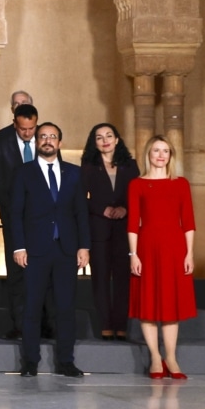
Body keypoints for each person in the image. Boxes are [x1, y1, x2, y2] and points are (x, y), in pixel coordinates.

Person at [11, 122, 90, 378]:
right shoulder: (24, 172)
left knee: (65, 308)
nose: (47, 140)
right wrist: (19, 246)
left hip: (66, 250)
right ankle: (30, 362)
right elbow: (16, 213)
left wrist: (84, 246)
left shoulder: (74, 173)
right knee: (32, 307)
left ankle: (66, 361)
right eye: (42, 136)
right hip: (34, 250)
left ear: (60, 142)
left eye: (52, 136)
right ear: (36, 141)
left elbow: (81, 213)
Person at [129, 135, 196, 379]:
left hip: (175, 249)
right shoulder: (137, 184)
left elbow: (188, 222)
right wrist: (133, 255)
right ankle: (156, 359)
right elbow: (133, 224)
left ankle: (171, 358)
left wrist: (189, 253)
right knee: (148, 305)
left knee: (170, 306)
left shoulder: (180, 184)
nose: (160, 155)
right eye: (156, 150)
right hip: (146, 248)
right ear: (148, 154)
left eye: (165, 151)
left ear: (170, 156)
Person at [81, 123, 138, 342]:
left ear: (116, 139)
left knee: (124, 279)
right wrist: (101, 208)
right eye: (99, 137)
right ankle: (105, 326)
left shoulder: (130, 166)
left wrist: (125, 208)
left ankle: (121, 327)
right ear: (93, 143)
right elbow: (80, 199)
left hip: (124, 230)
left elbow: (137, 196)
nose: (104, 140)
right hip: (98, 229)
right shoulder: (87, 166)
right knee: (101, 279)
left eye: (108, 136)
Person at [0, 102, 38, 339]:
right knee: (16, 271)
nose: (27, 133)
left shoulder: (46, 140)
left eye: (31, 128)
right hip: (13, 216)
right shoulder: (3, 139)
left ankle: (43, 324)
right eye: (23, 129)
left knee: (40, 272)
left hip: (42, 219)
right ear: (15, 124)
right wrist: (12, 208)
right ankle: (19, 324)